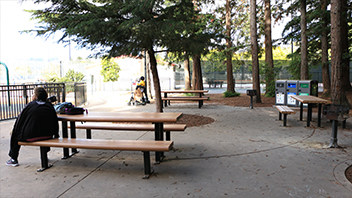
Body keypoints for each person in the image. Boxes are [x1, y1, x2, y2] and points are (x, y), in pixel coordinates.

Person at [6, 87, 59, 167]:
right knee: (42, 128)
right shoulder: (49, 106)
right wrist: (56, 134)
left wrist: (14, 132)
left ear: (36, 96)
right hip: (48, 136)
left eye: (33, 94)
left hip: (30, 136)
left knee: (15, 133)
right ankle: (45, 155)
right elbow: (55, 122)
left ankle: (14, 159)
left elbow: (19, 122)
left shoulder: (30, 106)